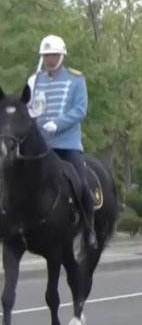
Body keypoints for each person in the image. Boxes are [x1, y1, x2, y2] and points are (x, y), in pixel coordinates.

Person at [28, 34, 96, 248]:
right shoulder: (35, 80)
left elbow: (80, 110)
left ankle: (89, 228)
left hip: (67, 145)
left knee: (83, 186)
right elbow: (29, 109)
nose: (49, 59)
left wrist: (57, 123)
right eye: (46, 56)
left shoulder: (76, 79)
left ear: (61, 56)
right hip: (41, 147)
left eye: (53, 55)